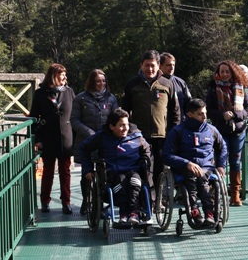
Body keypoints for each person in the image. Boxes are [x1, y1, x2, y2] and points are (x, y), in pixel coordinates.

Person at [79, 108, 152, 225]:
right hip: (113, 175)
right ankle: (123, 214)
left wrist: (145, 160)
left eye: (127, 125)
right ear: (112, 126)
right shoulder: (102, 136)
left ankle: (134, 213)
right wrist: (88, 169)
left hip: (133, 171)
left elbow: (147, 149)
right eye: (121, 125)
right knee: (121, 182)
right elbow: (83, 148)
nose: (125, 128)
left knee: (135, 181)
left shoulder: (136, 136)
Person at [120, 50, 181, 186]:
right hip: (139, 137)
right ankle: (145, 201)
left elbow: (175, 111)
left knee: (160, 170)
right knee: (143, 169)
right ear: (141, 65)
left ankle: (159, 200)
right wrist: (129, 132)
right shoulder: (132, 84)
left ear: (158, 65)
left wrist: (174, 132)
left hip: (161, 136)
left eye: (153, 65)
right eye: (147, 65)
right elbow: (125, 111)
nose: (150, 69)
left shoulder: (167, 84)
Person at [164, 99, 228, 227]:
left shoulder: (211, 130)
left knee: (201, 176)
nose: (204, 117)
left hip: (206, 166)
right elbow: (167, 155)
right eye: (200, 114)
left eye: (205, 113)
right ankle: (195, 210)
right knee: (192, 175)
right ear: (189, 114)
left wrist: (221, 165)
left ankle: (209, 212)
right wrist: (186, 163)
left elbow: (223, 147)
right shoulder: (178, 131)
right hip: (185, 166)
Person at [29, 63, 75, 215]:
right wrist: (38, 139)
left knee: (65, 171)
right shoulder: (40, 93)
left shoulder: (69, 92)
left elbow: (74, 115)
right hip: (48, 138)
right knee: (48, 171)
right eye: (62, 74)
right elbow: (34, 118)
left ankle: (66, 202)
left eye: (65, 74)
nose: (64, 77)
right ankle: (45, 201)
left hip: (66, 138)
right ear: (54, 75)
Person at [205, 60, 248, 206]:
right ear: (218, 73)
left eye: (227, 71)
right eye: (222, 72)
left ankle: (235, 195)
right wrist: (222, 115)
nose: (224, 74)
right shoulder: (213, 88)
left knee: (235, 162)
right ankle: (216, 192)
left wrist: (236, 115)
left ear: (232, 72)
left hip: (238, 130)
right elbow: (208, 110)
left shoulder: (240, 87)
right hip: (220, 131)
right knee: (220, 161)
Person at [71, 69, 118, 214]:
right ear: (92, 82)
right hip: (87, 142)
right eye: (98, 81)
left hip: (105, 142)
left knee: (105, 174)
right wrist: (89, 133)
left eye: (103, 81)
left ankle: (102, 202)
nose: (101, 84)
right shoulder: (81, 98)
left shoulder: (111, 99)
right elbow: (74, 120)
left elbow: (116, 118)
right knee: (87, 174)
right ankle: (86, 200)